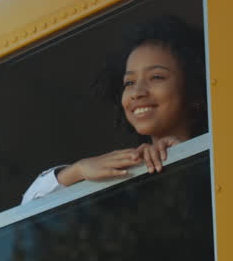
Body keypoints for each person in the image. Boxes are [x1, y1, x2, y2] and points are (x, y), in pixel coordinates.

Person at [21, 14, 206, 204]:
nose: (136, 92)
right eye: (130, 82)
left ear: (195, 92)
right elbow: (27, 207)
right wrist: (79, 170)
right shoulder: (128, 171)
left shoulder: (222, 153)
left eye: (157, 77)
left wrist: (189, 156)